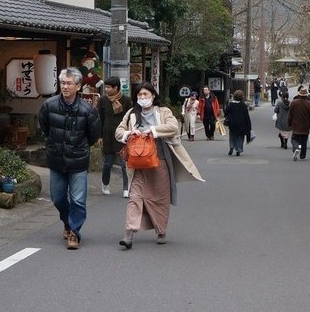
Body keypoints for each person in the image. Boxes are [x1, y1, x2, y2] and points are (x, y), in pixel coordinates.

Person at [115, 83, 204, 248]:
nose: (142, 98)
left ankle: (161, 230)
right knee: (134, 197)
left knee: (160, 198)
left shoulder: (163, 112)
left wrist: (153, 130)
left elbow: (173, 127)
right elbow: (118, 132)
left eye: (145, 94)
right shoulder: (131, 113)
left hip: (159, 161)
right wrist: (129, 133)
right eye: (139, 95)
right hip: (136, 163)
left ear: (153, 95)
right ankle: (129, 233)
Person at [37, 67, 102, 249]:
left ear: (78, 86)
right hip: (56, 159)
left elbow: (94, 135)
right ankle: (67, 221)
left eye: (69, 83)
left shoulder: (88, 110)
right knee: (57, 198)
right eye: (63, 83)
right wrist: (53, 143)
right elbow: (44, 126)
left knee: (78, 200)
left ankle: (74, 232)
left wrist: (79, 147)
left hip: (78, 160)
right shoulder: (49, 105)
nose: (65, 87)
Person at [98, 76, 132, 197]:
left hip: (122, 135)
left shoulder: (127, 100)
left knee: (124, 163)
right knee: (108, 163)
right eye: (105, 87)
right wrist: (99, 136)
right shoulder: (103, 100)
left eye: (108, 87)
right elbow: (100, 118)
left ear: (116, 87)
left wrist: (129, 134)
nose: (106, 89)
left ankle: (126, 187)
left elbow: (130, 118)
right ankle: (105, 183)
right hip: (107, 135)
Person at [288, 85, 310, 161]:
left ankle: (296, 148)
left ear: (299, 94)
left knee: (294, 139)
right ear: (306, 95)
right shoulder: (309, 104)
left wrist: (289, 123)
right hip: (305, 125)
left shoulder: (294, 103)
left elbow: (290, 114)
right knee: (304, 141)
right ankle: (303, 155)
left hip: (295, 124)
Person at [223, 89, 253, 156]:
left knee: (232, 135)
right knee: (240, 137)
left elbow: (226, 112)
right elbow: (246, 116)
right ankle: (238, 150)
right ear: (242, 97)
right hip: (241, 124)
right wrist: (249, 126)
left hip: (232, 123)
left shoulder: (231, 104)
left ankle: (231, 147)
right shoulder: (243, 105)